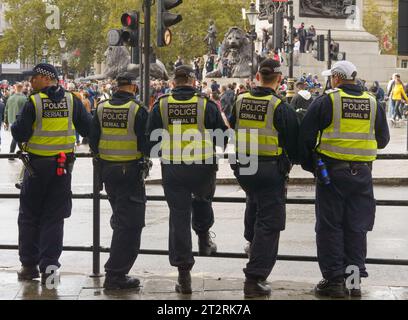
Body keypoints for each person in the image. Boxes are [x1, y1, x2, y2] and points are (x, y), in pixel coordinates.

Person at [299, 61, 390, 298]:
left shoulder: (327, 101)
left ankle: (334, 282)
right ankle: (353, 282)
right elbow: (383, 140)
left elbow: (305, 136)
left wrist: (313, 164)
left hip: (332, 174)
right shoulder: (373, 102)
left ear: (337, 78)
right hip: (362, 175)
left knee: (330, 227)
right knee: (356, 228)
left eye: (332, 77)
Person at [146, 65, 228, 294]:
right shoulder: (206, 105)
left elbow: (150, 141)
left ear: (173, 82)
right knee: (203, 201)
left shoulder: (161, 105)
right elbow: (221, 138)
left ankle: (184, 276)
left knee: (178, 218)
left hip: (173, 168)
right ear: (193, 81)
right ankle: (203, 237)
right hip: (202, 166)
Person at [11, 63, 91, 285]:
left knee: (29, 217)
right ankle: (50, 271)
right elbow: (87, 129)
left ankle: (28, 267)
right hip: (62, 168)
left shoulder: (34, 101)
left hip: (35, 167)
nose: (31, 81)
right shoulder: (71, 100)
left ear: (45, 79)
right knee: (54, 219)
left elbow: (19, 131)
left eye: (33, 77)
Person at [229, 59, 299, 298]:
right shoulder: (280, 106)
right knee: (270, 222)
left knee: (254, 203)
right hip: (270, 170)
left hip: (244, 168)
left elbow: (232, 123)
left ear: (258, 76)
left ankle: (252, 243)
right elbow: (293, 140)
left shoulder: (240, 100)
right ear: (279, 79)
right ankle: (255, 277)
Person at [89, 73, 148, 290]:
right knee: (130, 225)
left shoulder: (102, 108)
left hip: (107, 173)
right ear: (133, 86)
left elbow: (92, 140)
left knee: (121, 220)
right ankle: (115, 274)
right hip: (130, 174)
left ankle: (116, 272)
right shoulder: (137, 110)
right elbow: (147, 144)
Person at [4, 83, 27, 158]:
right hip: (19, 121)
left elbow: (6, 110)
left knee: (16, 137)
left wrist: (6, 122)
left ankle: (13, 154)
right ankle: (12, 154)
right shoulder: (24, 98)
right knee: (16, 138)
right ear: (22, 88)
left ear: (15, 88)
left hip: (11, 121)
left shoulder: (10, 98)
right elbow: (25, 111)